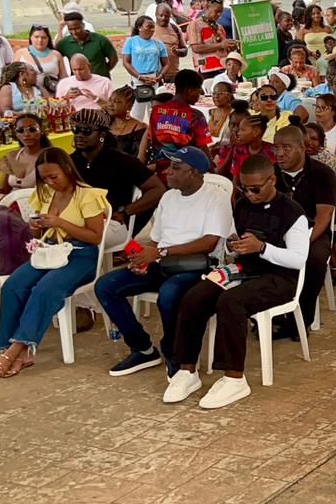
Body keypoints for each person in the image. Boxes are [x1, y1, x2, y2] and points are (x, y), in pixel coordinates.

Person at [163, 155, 307, 409]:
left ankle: (234, 377)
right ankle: (187, 370)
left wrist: (262, 248)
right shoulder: (241, 205)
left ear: (272, 180)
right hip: (245, 268)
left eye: (256, 189)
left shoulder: (292, 212)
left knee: (231, 302)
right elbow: (234, 242)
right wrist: (234, 245)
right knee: (195, 296)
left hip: (279, 277)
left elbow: (297, 260)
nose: (250, 194)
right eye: (244, 188)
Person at [94, 146, 233, 377]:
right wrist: (141, 258)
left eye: (176, 168)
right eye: (169, 166)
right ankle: (143, 348)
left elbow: (209, 243)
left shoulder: (216, 198)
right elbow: (156, 240)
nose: (168, 172)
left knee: (169, 294)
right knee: (106, 286)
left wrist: (159, 254)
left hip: (199, 266)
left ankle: (176, 354)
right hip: (164, 262)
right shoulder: (168, 197)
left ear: (195, 173)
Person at [0, 148, 108, 377]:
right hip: (50, 252)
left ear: (68, 169)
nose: (50, 182)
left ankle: (16, 349)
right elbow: (38, 234)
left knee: (45, 288)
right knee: (13, 285)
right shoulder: (44, 194)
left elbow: (95, 237)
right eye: (44, 178)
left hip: (81, 255)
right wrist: (35, 228)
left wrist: (61, 223)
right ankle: (9, 347)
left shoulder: (87, 195)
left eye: (54, 176)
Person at [271, 126, 336, 340]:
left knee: (314, 259)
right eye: (276, 148)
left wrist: (302, 244)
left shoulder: (322, 173)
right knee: (258, 256)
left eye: (287, 148)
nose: (280, 153)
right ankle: (273, 316)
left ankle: (302, 319)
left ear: (302, 148)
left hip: (313, 233)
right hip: (277, 233)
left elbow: (324, 216)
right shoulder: (270, 174)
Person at [69, 108, 165, 245]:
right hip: (76, 221)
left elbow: (157, 189)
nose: (79, 135)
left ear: (102, 134)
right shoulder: (69, 161)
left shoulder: (122, 161)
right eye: (76, 130)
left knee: (75, 242)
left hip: (109, 224)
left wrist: (126, 212)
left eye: (87, 131)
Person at [140, 69, 214, 166]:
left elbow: (151, 139)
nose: (199, 95)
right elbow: (203, 147)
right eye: (198, 91)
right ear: (190, 91)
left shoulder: (156, 111)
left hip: (160, 165)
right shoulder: (195, 116)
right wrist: (211, 167)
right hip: (185, 168)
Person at [0, 113, 50, 195]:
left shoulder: (49, 157)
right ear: (16, 134)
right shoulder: (12, 157)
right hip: (11, 204)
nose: (26, 134)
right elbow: (3, 193)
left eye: (32, 129)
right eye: (20, 130)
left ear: (42, 131)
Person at [55, 11, 116, 79]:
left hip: (100, 82)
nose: (74, 32)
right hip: (78, 83)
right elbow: (54, 57)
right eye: (70, 29)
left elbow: (113, 58)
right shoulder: (64, 43)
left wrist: (103, 71)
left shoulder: (100, 40)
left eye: (77, 28)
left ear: (83, 25)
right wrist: (60, 29)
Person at [123, 16, 168, 88]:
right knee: (139, 98)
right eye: (149, 27)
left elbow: (166, 64)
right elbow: (126, 62)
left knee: (154, 98)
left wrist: (160, 76)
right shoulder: (131, 41)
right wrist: (139, 77)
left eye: (153, 27)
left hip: (154, 79)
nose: (152, 30)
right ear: (139, 28)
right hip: (137, 78)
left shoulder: (159, 44)